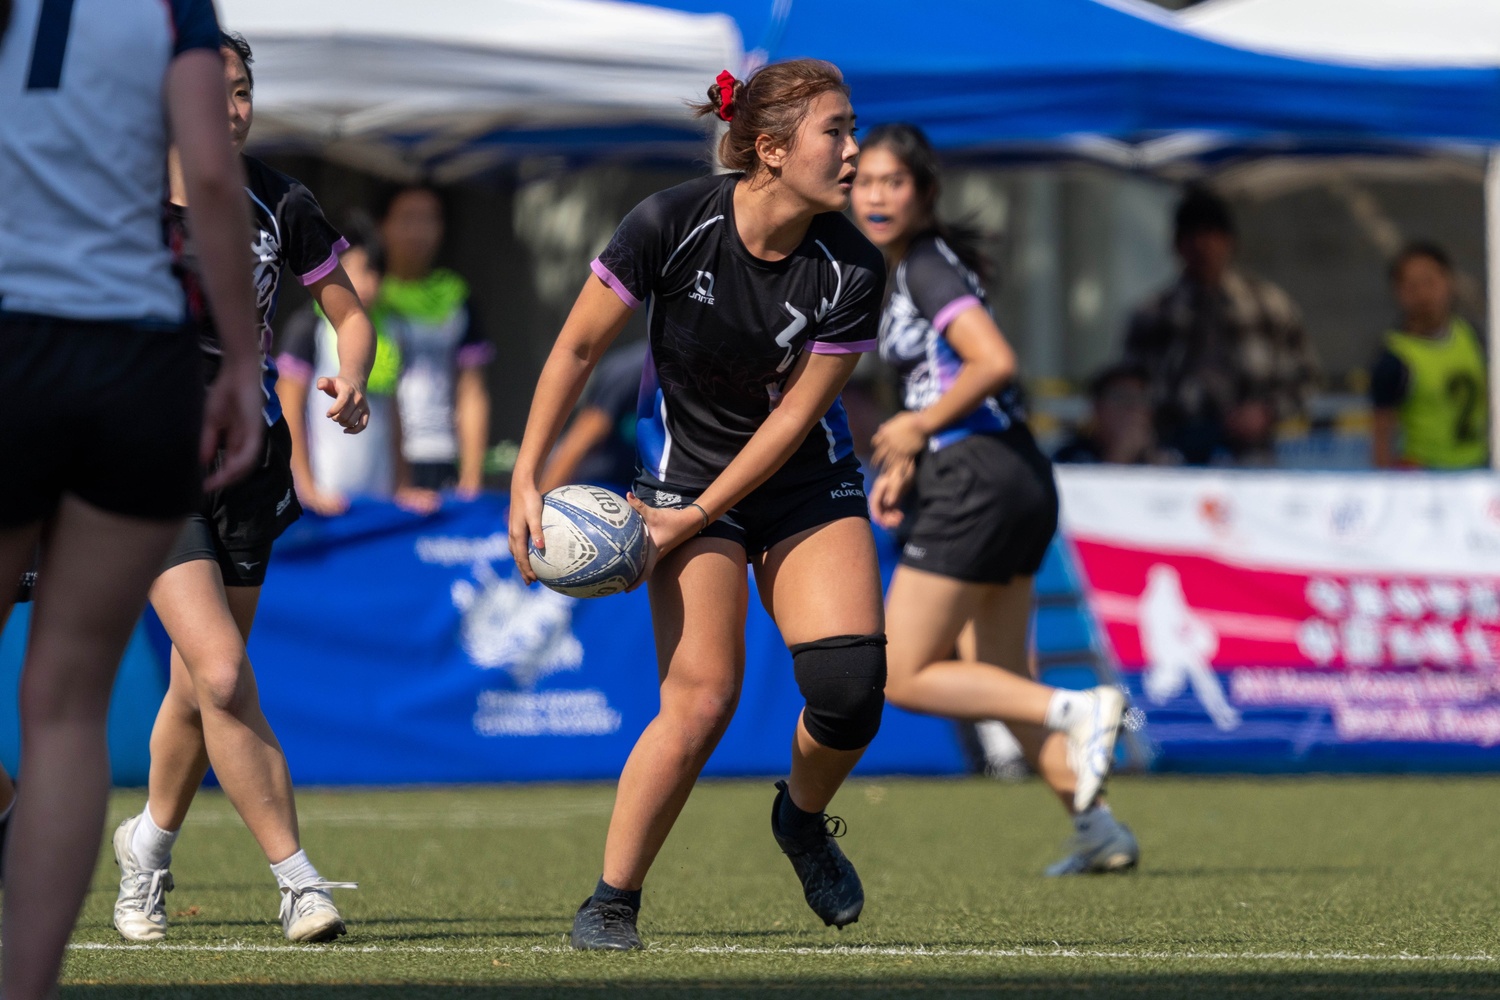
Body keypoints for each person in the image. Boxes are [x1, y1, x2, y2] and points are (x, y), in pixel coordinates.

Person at [510, 60, 886, 950]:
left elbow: (796, 418)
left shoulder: (854, 265)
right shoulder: (672, 222)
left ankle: (799, 820)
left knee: (850, 691)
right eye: (836, 131)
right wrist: (526, 480)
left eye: (851, 128)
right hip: (679, 482)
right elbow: (571, 351)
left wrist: (696, 513)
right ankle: (611, 900)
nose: (854, 150)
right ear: (769, 147)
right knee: (703, 697)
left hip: (799, 478)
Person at [0, 1, 265, 994]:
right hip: (134, 357)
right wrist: (242, 358)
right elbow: (208, 171)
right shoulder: (169, 5)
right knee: (65, 709)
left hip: (10, 336)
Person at [109, 30, 369, 947]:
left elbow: (349, 314)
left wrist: (355, 374)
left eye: (242, 90)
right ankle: (298, 881)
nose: (229, 107)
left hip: (249, 470)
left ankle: (145, 849)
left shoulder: (280, 199)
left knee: (196, 685)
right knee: (221, 669)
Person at [852, 123, 1137, 878]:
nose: (875, 196)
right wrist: (908, 450)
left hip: (977, 479)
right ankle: (1098, 827)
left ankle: (1078, 709)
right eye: (864, 181)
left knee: (902, 674)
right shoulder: (913, 267)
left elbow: (994, 361)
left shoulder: (924, 266)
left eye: (893, 182)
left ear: (925, 193)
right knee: (1003, 674)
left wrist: (916, 426)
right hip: (1013, 474)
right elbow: (940, 384)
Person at [1124, 187, 1319, 466]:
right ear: (1177, 245)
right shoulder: (1152, 315)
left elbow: (1307, 379)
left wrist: (1266, 412)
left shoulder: (1270, 306)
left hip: (1252, 461)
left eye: (1212, 234)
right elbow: (1128, 392)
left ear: (1230, 241)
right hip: (1171, 460)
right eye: (1192, 236)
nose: (1203, 246)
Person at [278, 220, 418, 511]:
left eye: (375, 271)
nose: (368, 282)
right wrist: (306, 487)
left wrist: (403, 486)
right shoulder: (309, 327)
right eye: (356, 268)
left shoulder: (390, 332)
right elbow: (287, 409)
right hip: (323, 497)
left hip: (377, 496)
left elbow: (393, 414)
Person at [379, 185, 493, 494]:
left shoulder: (456, 296)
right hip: (375, 453)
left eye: (430, 219)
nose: (419, 231)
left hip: (439, 453)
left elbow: (472, 389)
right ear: (383, 225)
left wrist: (471, 475)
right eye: (408, 218)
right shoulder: (365, 299)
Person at [1371, 242, 1488, 470]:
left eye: (1430, 282)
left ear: (1449, 282)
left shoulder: (1471, 335)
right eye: (1412, 287)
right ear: (1398, 293)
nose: (1424, 295)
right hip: (1425, 479)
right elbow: (1381, 436)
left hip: (1477, 468)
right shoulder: (1394, 359)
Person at [538, 338, 650, 493]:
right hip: (597, 485)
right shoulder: (633, 368)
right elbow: (579, 442)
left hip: (641, 486)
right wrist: (544, 499)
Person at [1053, 363, 1173, 465]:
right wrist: (1120, 456)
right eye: (1121, 398)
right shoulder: (1071, 458)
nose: (1132, 408)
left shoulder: (1169, 454)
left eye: (1142, 399)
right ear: (1097, 407)